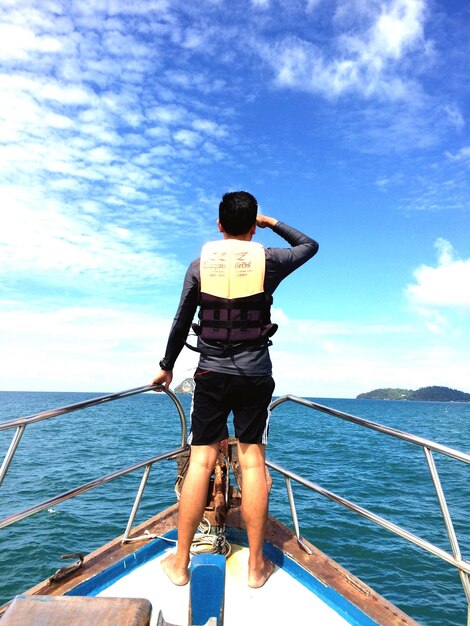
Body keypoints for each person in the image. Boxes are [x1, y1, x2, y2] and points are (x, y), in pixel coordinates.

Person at [152, 191, 318, 588]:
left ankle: (179, 562)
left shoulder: (198, 266)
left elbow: (181, 321)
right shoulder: (270, 261)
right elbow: (309, 245)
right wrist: (272, 222)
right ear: (251, 223)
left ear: (219, 225)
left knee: (201, 463)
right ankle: (256, 567)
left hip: (210, 375)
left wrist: (166, 367)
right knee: (252, 464)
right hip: (255, 376)